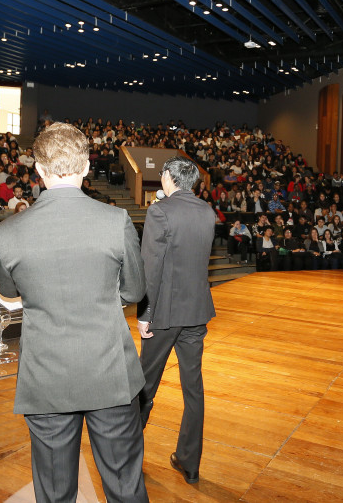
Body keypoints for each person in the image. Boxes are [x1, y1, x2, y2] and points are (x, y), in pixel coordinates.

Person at [0, 122, 148, 503]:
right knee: (125, 485)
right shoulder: (115, 221)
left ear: (40, 171)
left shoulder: (7, 232)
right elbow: (134, 290)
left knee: (54, 491)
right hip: (109, 372)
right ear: (84, 167)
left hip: (46, 377)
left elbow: (7, 290)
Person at [138, 155, 215, 485]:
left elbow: (150, 270)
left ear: (169, 177)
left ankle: (126, 456)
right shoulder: (207, 211)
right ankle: (190, 462)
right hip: (196, 312)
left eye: (162, 175)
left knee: (143, 386)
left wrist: (145, 314)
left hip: (165, 315)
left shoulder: (160, 211)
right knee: (193, 389)